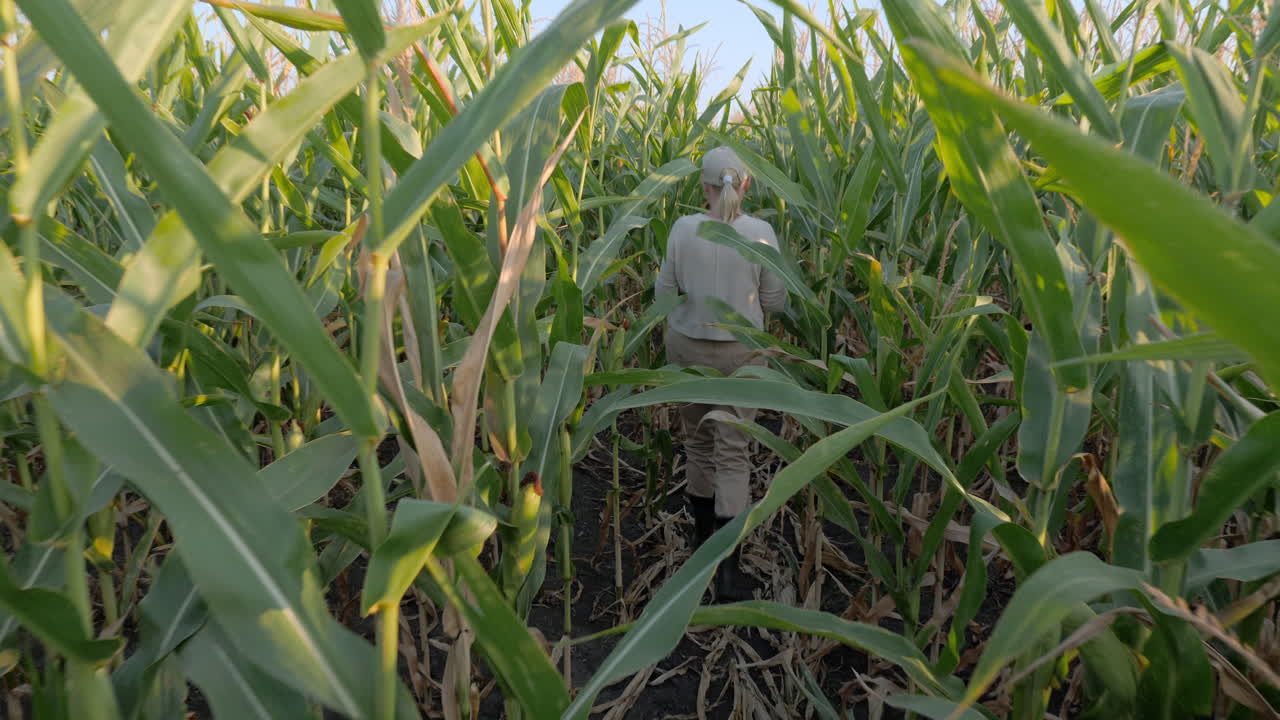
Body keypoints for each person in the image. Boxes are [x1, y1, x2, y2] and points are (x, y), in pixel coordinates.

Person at [654, 146, 787, 602]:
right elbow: (776, 302)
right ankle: (727, 577)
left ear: (703, 187)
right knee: (733, 452)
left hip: (688, 346)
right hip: (742, 355)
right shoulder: (761, 232)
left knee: (697, 443)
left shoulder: (682, 228)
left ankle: (699, 548)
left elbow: (664, 292)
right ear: (745, 185)